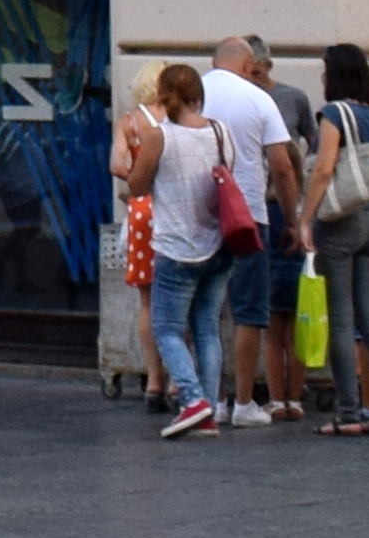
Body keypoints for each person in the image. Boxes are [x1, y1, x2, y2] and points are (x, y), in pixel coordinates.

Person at [123, 59, 235, 434]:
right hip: (219, 244)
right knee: (206, 328)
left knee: (167, 329)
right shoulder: (221, 132)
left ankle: (192, 400)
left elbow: (137, 185)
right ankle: (210, 407)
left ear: (166, 96)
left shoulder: (160, 136)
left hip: (176, 246)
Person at [305, 39, 369, 435]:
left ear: (335, 75)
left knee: (343, 321)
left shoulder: (334, 114)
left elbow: (324, 169)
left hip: (341, 224)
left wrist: (304, 219)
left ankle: (348, 413)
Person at [205, 33, 305, 425]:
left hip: (201, 217)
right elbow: (282, 166)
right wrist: (293, 220)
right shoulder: (259, 98)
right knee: (249, 310)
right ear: (248, 67)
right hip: (248, 216)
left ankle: (214, 398)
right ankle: (245, 402)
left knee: (206, 309)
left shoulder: (192, 94)